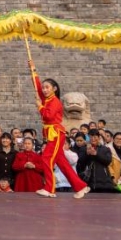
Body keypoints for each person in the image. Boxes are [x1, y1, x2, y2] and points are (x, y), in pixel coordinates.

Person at [29, 67, 91, 199]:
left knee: (46, 158)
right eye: (44, 88)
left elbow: (48, 116)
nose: (44, 90)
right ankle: (80, 186)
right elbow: (37, 87)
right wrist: (33, 71)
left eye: (47, 87)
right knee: (61, 162)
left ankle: (49, 188)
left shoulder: (55, 101)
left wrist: (39, 106)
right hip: (52, 133)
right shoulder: (47, 99)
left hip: (56, 134)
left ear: (54, 89)